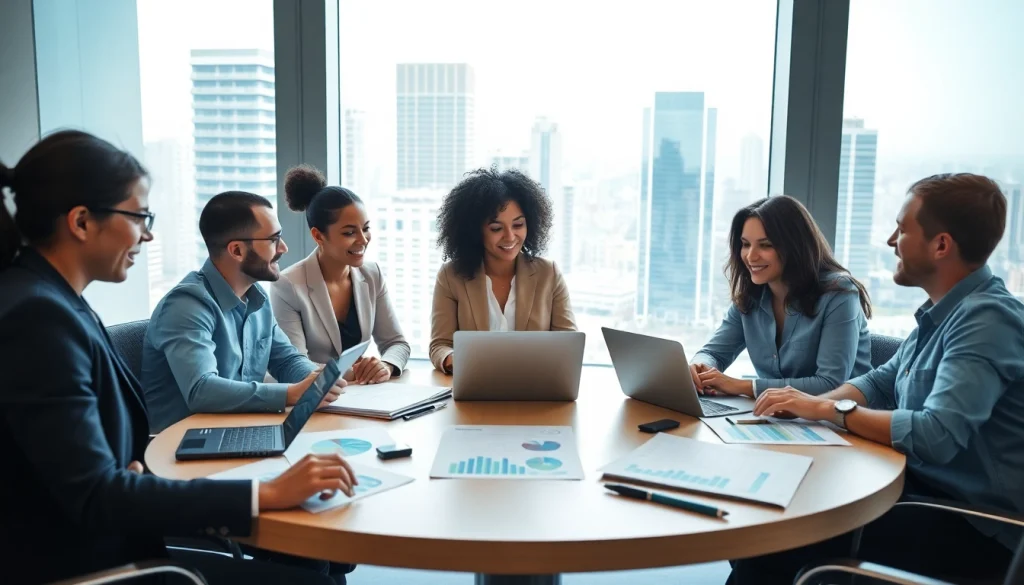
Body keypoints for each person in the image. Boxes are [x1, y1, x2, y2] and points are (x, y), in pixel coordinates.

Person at [0, 130, 357, 585]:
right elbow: (95, 496)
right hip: (98, 563)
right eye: (139, 217)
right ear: (82, 222)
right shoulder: (38, 317)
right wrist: (262, 494)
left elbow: (82, 473)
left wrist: (120, 472)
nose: (148, 234)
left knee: (318, 553)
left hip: (120, 520)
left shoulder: (52, 301)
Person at [728, 174, 1024, 584]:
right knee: (768, 510)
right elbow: (880, 382)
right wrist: (812, 407)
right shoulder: (941, 315)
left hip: (971, 524)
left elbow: (936, 435)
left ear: (940, 245)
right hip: (914, 488)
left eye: (902, 229)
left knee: (773, 539)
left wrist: (830, 410)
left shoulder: (986, 321)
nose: (891, 241)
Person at [142, 191, 345, 433]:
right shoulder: (186, 305)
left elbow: (286, 360)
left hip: (237, 430)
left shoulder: (256, 298)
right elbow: (201, 390)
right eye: (273, 239)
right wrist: (291, 394)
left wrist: (317, 379)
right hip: (181, 443)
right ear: (237, 250)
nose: (283, 247)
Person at [689, 195, 872, 399]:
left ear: (795, 246)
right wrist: (699, 367)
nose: (750, 256)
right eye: (745, 244)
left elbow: (830, 383)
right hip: (778, 414)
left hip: (842, 415)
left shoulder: (839, 294)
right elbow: (713, 353)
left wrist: (741, 386)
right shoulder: (751, 297)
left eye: (765, 245)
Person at [429, 167, 577, 373]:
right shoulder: (451, 276)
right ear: (475, 231)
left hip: (535, 384)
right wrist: (458, 360)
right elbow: (440, 345)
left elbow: (569, 343)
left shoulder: (548, 274)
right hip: (477, 382)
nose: (510, 237)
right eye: (496, 228)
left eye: (518, 225)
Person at [272, 164, 410, 383]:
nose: (363, 240)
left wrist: (385, 365)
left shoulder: (371, 274)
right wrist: (359, 372)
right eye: (349, 232)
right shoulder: (287, 285)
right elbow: (295, 365)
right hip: (314, 396)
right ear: (318, 236)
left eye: (366, 228)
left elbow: (397, 343)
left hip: (363, 394)